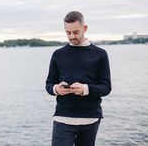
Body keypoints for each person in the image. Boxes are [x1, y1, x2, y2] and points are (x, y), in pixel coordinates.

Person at [45, 11, 111, 146]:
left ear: (84, 28)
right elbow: (49, 84)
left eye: (76, 32)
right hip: (63, 117)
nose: (71, 37)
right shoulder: (58, 54)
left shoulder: (100, 54)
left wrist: (85, 89)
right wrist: (56, 89)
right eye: (68, 33)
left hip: (90, 119)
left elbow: (106, 87)